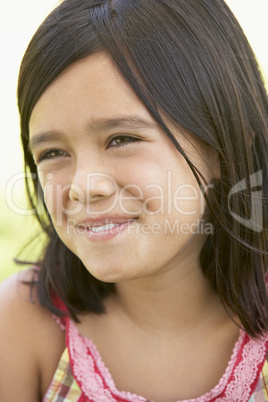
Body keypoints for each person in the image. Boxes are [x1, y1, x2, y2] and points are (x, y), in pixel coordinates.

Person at [0, 0, 267, 400]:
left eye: (122, 139)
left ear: (223, 145)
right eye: (53, 152)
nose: (84, 186)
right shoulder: (22, 325)